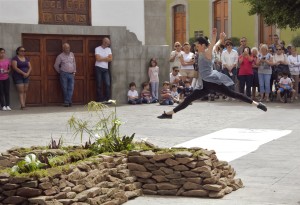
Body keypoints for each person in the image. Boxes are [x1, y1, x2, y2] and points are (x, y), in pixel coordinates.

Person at [157, 28, 267, 119]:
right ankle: (169, 114)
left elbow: (212, 45)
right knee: (188, 99)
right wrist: (220, 39)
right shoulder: (203, 52)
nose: (196, 47)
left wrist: (214, 36)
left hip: (212, 81)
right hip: (204, 84)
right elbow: (215, 46)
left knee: (233, 94)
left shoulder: (207, 54)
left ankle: (257, 105)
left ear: (203, 46)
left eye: (198, 45)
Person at [54, 43, 76, 107]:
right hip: (64, 74)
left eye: (68, 47)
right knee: (65, 88)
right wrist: (60, 72)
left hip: (71, 74)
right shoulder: (60, 56)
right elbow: (56, 65)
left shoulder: (72, 54)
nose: (67, 49)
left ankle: (67, 101)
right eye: (66, 48)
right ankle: (69, 101)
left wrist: (74, 71)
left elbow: (74, 63)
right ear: (63, 48)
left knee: (71, 88)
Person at [95, 37, 113, 103]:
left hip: (106, 69)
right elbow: (97, 58)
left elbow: (110, 59)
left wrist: (101, 58)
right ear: (104, 42)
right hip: (98, 68)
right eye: (108, 43)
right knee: (99, 84)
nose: (108, 45)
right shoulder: (97, 48)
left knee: (107, 84)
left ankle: (107, 99)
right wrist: (106, 58)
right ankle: (100, 99)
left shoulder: (109, 49)